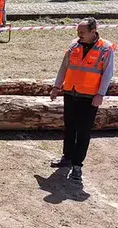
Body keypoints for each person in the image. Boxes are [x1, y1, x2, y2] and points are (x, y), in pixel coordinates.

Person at [49, 18, 115, 182]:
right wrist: (57, 86)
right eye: (78, 32)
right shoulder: (74, 45)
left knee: (83, 131)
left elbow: (107, 73)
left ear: (93, 32)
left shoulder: (106, 49)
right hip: (71, 93)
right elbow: (64, 66)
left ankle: (77, 165)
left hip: (90, 97)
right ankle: (67, 157)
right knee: (69, 127)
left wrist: (100, 94)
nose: (79, 35)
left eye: (82, 32)